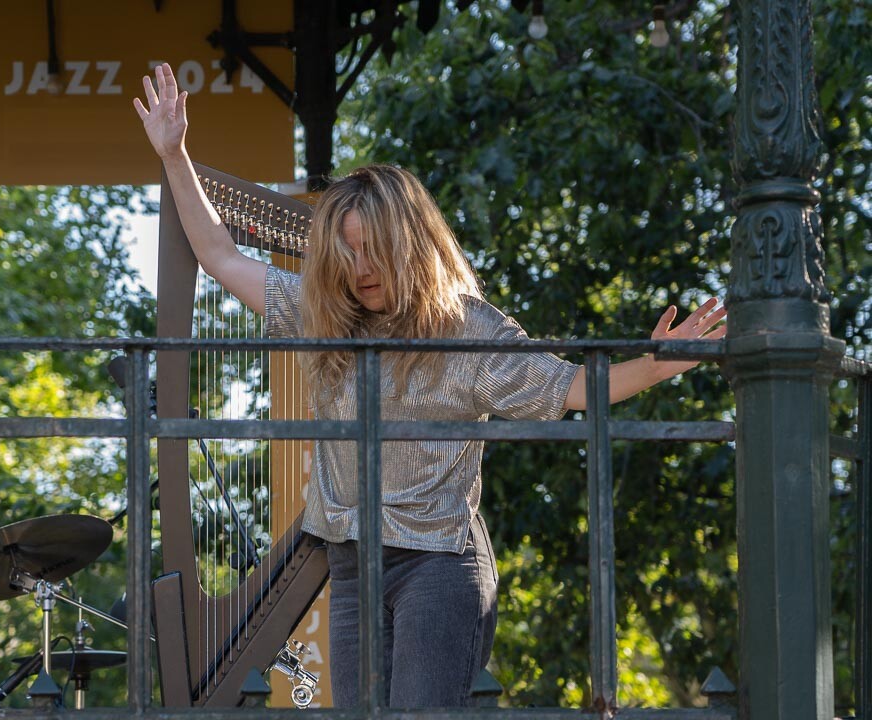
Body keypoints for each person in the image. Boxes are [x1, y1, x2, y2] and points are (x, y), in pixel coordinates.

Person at [133, 63, 726, 707]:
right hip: (352, 568)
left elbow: (574, 387)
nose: (362, 268)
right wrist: (174, 154)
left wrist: (658, 364)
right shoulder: (323, 315)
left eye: (375, 249)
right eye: (348, 252)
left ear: (412, 244)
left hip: (438, 565)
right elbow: (220, 255)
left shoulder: (465, 329)